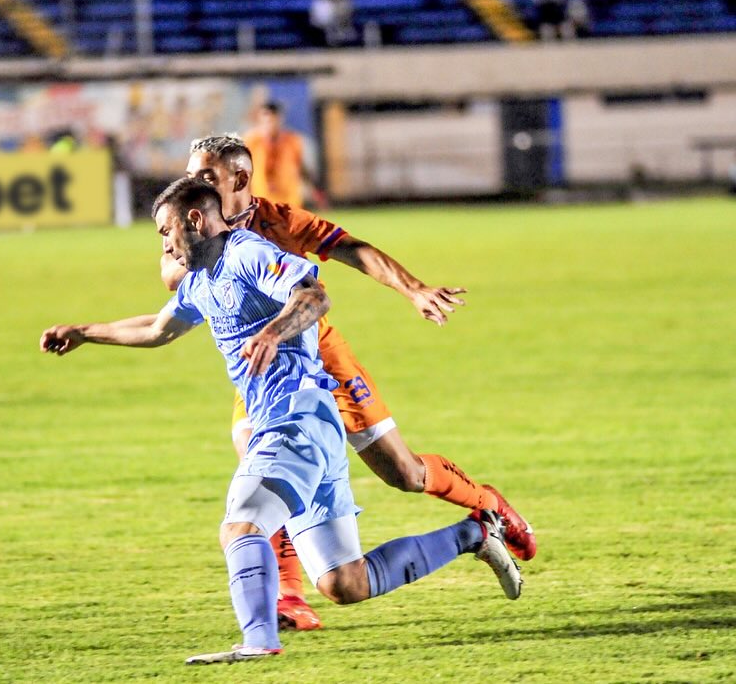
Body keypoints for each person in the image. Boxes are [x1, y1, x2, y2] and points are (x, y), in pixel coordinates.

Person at [40, 178, 523, 664]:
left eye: (166, 231)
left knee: (242, 527)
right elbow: (157, 328)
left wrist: (273, 332)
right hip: (312, 425)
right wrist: (84, 332)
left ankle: (258, 641)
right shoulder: (202, 278)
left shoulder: (247, 253)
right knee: (344, 582)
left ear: (194, 220)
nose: (164, 245)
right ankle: (476, 532)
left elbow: (313, 296)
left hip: (293, 418)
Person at [159, 135, 536, 629]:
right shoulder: (198, 226)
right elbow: (172, 272)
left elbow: (353, 249)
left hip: (325, 360)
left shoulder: (281, 222)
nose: (193, 183)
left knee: (404, 474)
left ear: (240, 180)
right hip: (264, 370)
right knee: (261, 459)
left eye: (204, 177)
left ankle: (487, 506)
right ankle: (289, 594)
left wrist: (413, 288)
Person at [242, 102, 326, 211]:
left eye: (273, 120)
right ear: (260, 120)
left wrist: (316, 191)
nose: (270, 124)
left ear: (280, 119)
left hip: (289, 201)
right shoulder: (251, 141)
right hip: (262, 201)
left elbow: (301, 167)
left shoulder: (292, 141)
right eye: (266, 120)